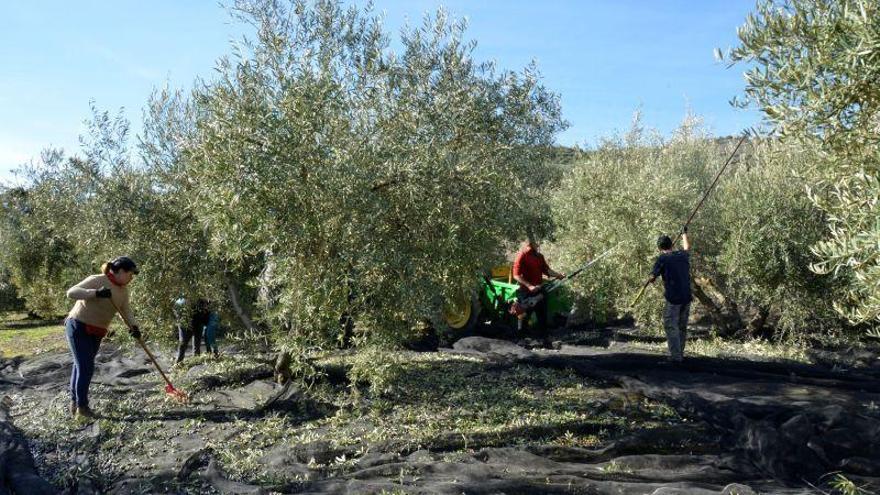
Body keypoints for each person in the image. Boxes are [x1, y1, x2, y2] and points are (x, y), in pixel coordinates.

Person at [65, 256, 141, 419]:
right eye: (130, 274)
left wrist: (133, 327)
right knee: (85, 367)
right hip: (78, 325)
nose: (131, 278)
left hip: (97, 330)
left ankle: (75, 402)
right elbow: (71, 292)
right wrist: (96, 293)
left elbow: (125, 311)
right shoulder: (97, 280)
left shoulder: (122, 291)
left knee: (81, 366)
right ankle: (82, 408)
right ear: (120, 271)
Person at [646, 227, 692, 363]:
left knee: (671, 326)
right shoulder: (682, 255)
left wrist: (650, 278)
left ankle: (676, 357)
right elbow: (687, 247)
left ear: (659, 248)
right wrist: (684, 234)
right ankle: (680, 354)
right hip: (686, 297)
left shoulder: (662, 259)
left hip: (673, 299)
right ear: (672, 245)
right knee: (681, 326)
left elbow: (652, 277)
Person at [512, 237, 565, 340]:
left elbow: (547, 270)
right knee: (524, 316)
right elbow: (516, 275)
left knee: (542, 316)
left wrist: (558, 275)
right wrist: (529, 286)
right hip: (525, 292)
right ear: (529, 245)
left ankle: (543, 338)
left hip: (539, 292)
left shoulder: (540, 256)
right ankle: (522, 339)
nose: (537, 246)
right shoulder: (521, 256)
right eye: (535, 244)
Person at [175, 297, 209, 364]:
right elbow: (177, 314)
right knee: (183, 344)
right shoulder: (180, 302)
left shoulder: (201, 300)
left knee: (197, 345)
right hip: (186, 326)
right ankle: (178, 362)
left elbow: (206, 311)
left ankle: (196, 362)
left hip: (198, 324)